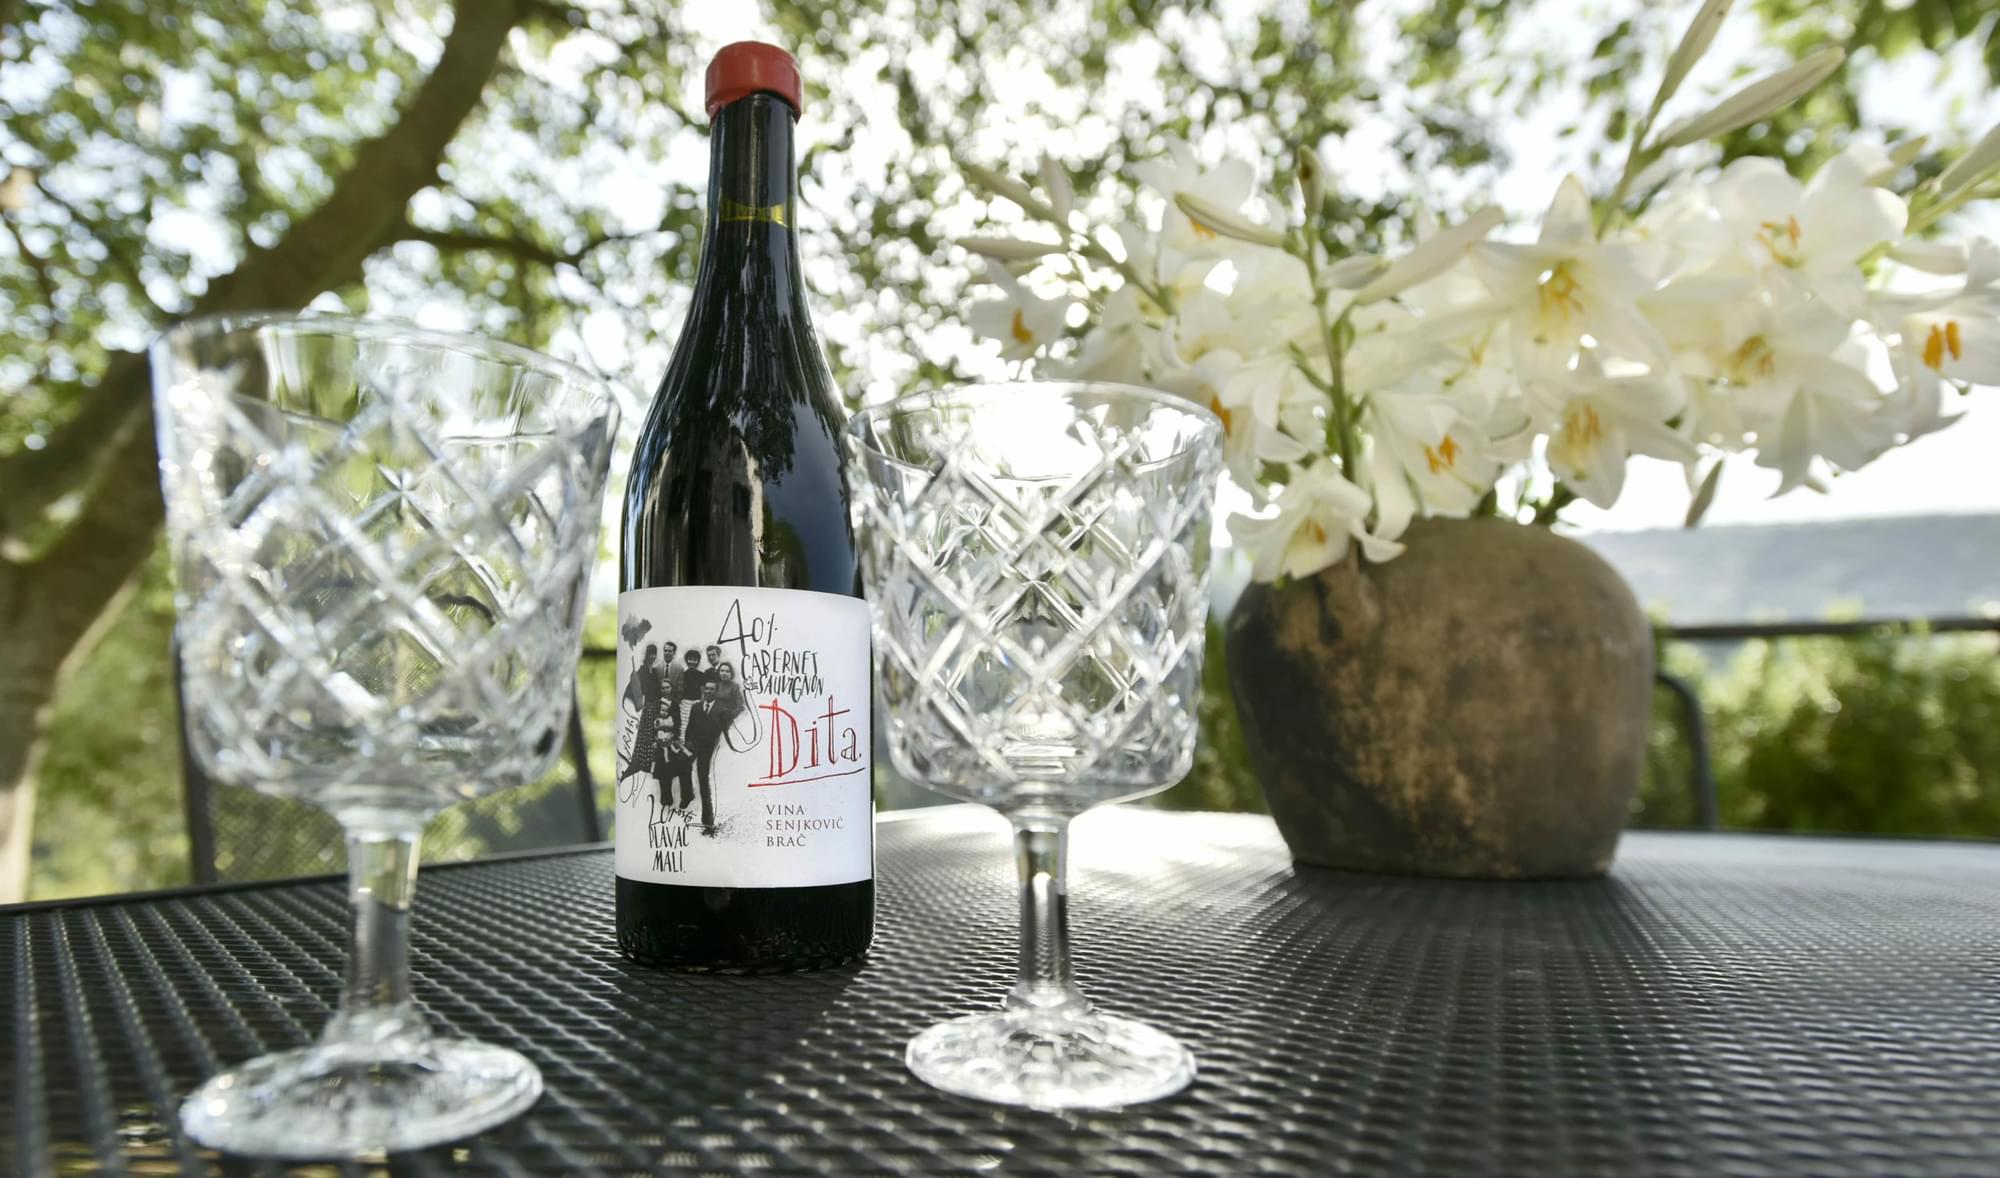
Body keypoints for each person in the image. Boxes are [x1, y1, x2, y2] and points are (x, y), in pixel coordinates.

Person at [684, 680, 729, 835]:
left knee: (704, 781)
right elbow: (689, 728)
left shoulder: (721, 709)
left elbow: (723, 732)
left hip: (710, 750)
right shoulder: (696, 707)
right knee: (681, 765)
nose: (708, 691)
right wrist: (688, 743)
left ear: (716, 691)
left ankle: (708, 822)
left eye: (712, 689)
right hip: (694, 746)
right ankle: (687, 797)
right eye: (707, 688)